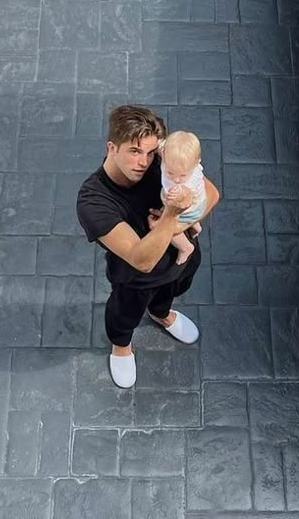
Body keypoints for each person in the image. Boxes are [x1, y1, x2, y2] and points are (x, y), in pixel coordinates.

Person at [76, 105, 220, 388]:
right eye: (134, 151)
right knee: (124, 314)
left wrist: (177, 227)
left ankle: (161, 314)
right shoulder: (93, 201)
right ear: (112, 148)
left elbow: (212, 194)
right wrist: (172, 214)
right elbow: (142, 260)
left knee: (169, 294)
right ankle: (121, 346)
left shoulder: (164, 161)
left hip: (179, 263)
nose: (145, 162)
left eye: (151, 152)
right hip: (135, 279)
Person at [159, 130, 206, 265]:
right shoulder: (166, 155)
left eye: (182, 175)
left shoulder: (188, 183)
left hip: (190, 206)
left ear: (197, 163)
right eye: (170, 173)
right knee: (190, 220)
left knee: (168, 229)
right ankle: (196, 227)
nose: (176, 179)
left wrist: (179, 195)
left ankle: (186, 247)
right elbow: (162, 146)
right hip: (195, 205)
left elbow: (184, 199)